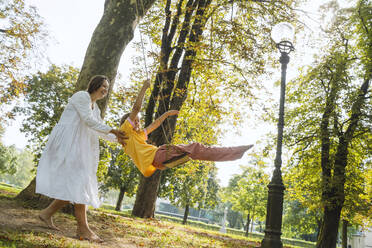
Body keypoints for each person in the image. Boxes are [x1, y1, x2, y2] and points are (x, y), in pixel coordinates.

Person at [35, 75, 127, 242]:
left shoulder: (96, 107)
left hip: (79, 146)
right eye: (103, 86)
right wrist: (113, 130)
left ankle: (46, 214)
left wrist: (118, 140)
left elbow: (98, 129)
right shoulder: (81, 96)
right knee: (80, 181)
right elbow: (87, 120)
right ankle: (83, 229)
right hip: (68, 143)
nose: (105, 90)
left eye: (107, 87)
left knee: (77, 183)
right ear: (95, 85)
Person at [119, 80, 254, 178]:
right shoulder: (126, 131)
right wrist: (144, 87)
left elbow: (153, 125)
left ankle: (235, 153)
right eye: (134, 121)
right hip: (159, 156)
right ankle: (236, 152)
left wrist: (166, 114)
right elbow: (136, 109)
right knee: (195, 148)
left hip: (158, 162)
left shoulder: (137, 136)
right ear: (127, 123)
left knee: (196, 152)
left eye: (138, 121)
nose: (137, 123)